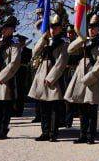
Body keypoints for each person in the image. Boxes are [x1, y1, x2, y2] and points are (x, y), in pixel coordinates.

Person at [65, 14, 99, 144]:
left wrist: (90, 77)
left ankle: (91, 135)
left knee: (91, 107)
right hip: (80, 75)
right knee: (82, 107)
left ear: (98, 28)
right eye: (89, 27)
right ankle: (82, 134)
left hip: (92, 77)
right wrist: (81, 38)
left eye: (94, 27)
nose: (91, 29)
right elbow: (70, 49)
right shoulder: (84, 40)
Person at [28, 13, 69, 142]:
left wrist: (51, 78)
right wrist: (43, 38)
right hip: (41, 73)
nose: (53, 30)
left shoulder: (63, 42)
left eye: (55, 27)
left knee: (54, 107)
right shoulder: (45, 40)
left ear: (60, 28)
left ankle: (53, 133)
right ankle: (44, 132)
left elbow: (61, 62)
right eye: (51, 27)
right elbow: (34, 53)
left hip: (53, 75)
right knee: (43, 106)